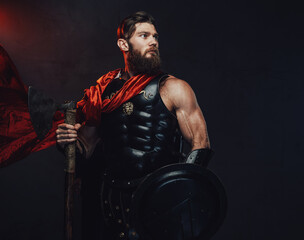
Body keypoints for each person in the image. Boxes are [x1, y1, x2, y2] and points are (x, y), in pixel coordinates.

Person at [56, 11, 213, 239]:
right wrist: (66, 141)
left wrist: (180, 193)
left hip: (160, 200)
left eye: (155, 37)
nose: (153, 42)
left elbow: (201, 144)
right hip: (111, 202)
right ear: (123, 43)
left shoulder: (174, 88)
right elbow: (86, 148)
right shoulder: (103, 92)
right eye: (144, 35)